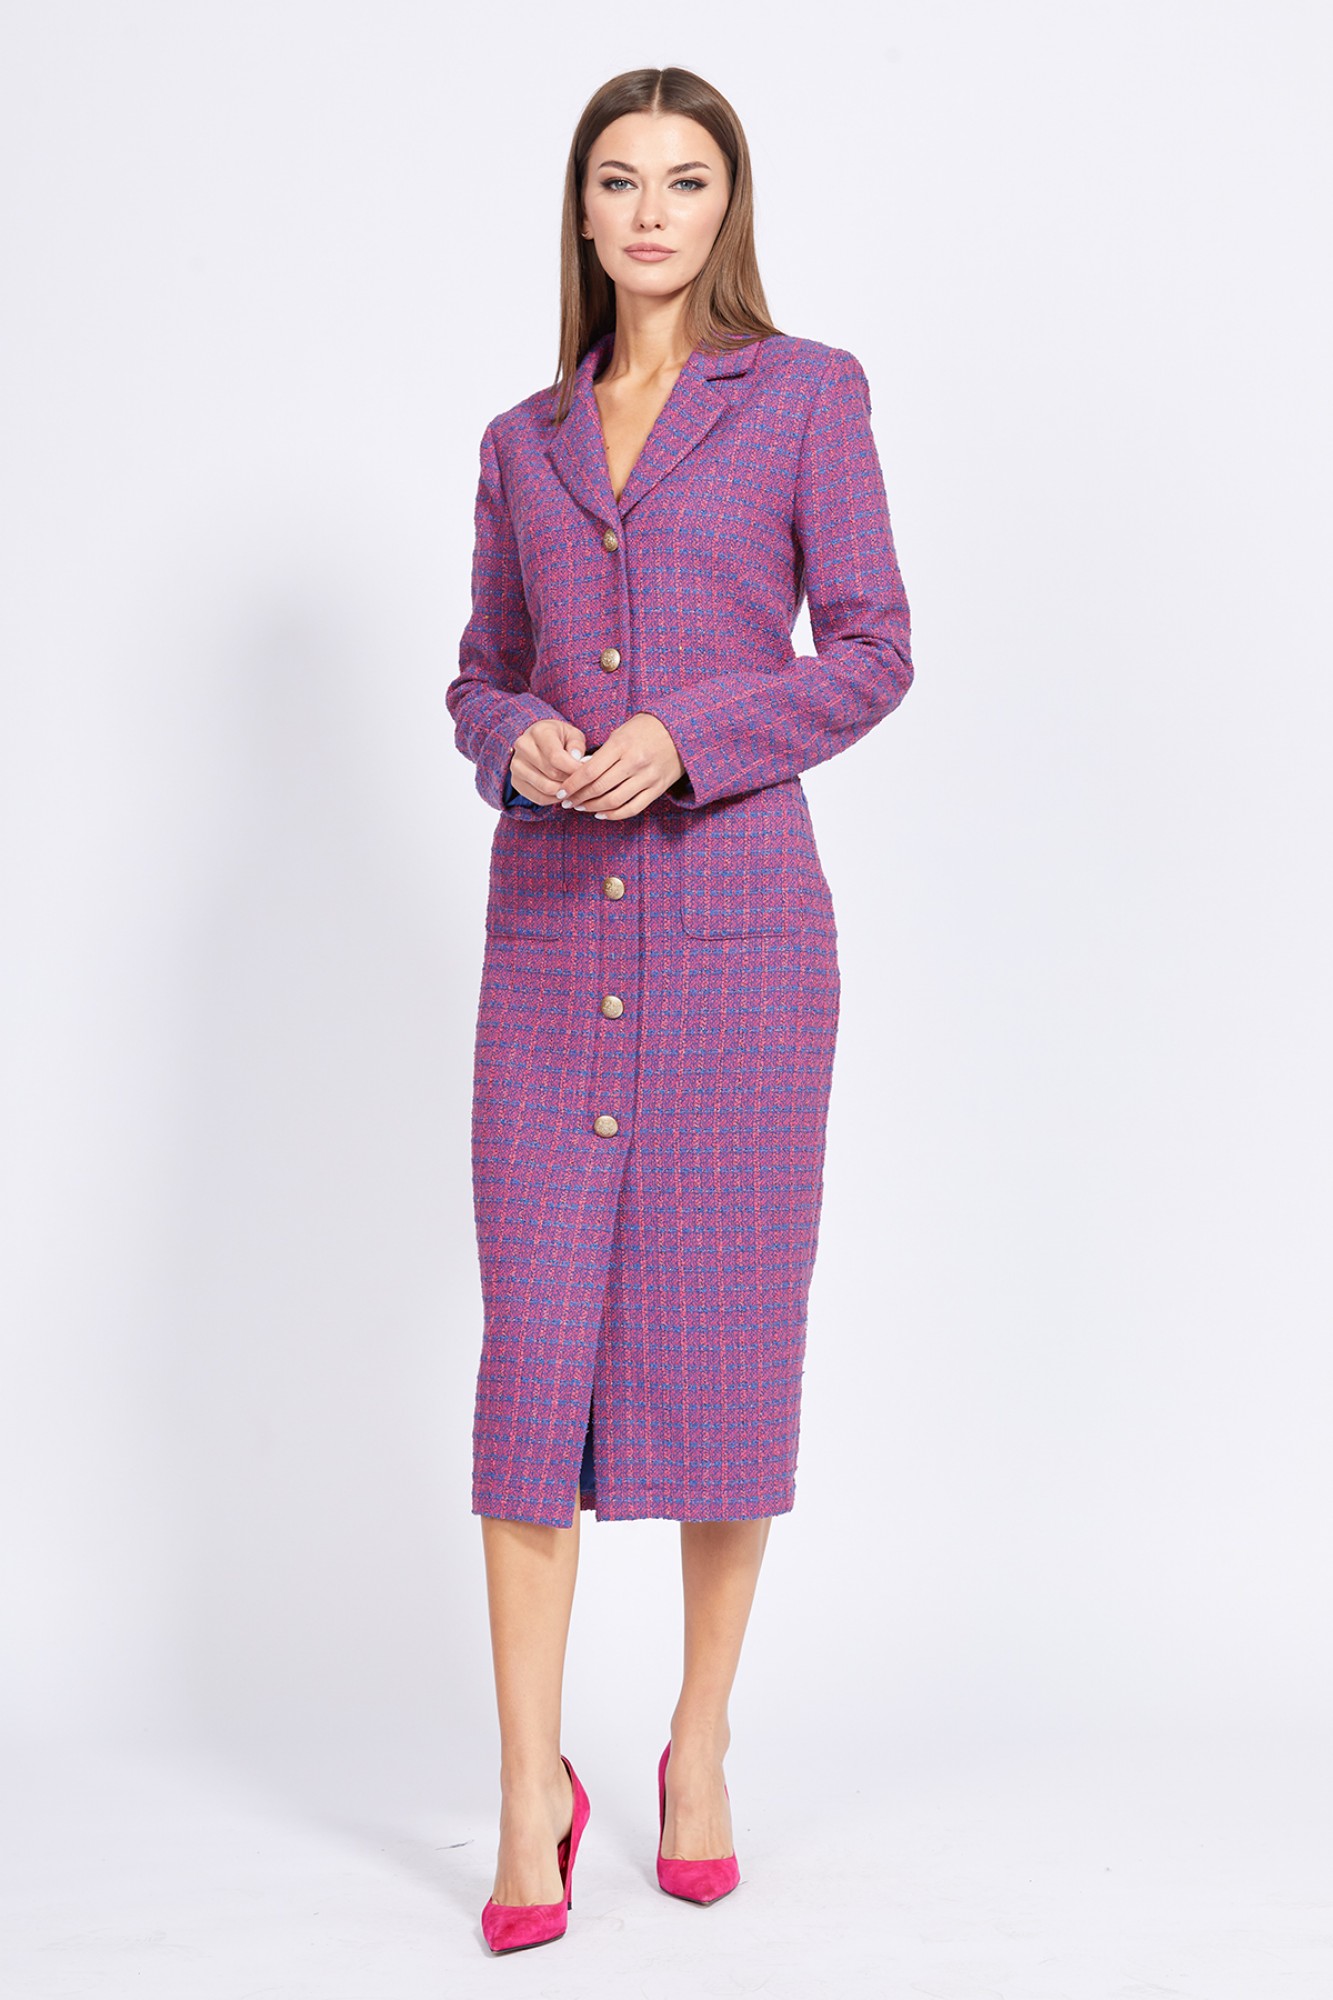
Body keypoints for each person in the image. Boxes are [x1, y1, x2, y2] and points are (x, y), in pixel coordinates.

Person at [444, 65, 913, 1954]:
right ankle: (524, 1790)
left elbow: (874, 650)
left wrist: (689, 736)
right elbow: (478, 671)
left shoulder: (804, 395)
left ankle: (697, 1746)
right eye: (621, 181)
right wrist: (518, 739)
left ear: (729, 205)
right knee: (528, 1363)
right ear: (580, 209)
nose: (651, 212)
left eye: (686, 180)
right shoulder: (522, 439)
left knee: (726, 1347)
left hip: (738, 943)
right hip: (554, 941)